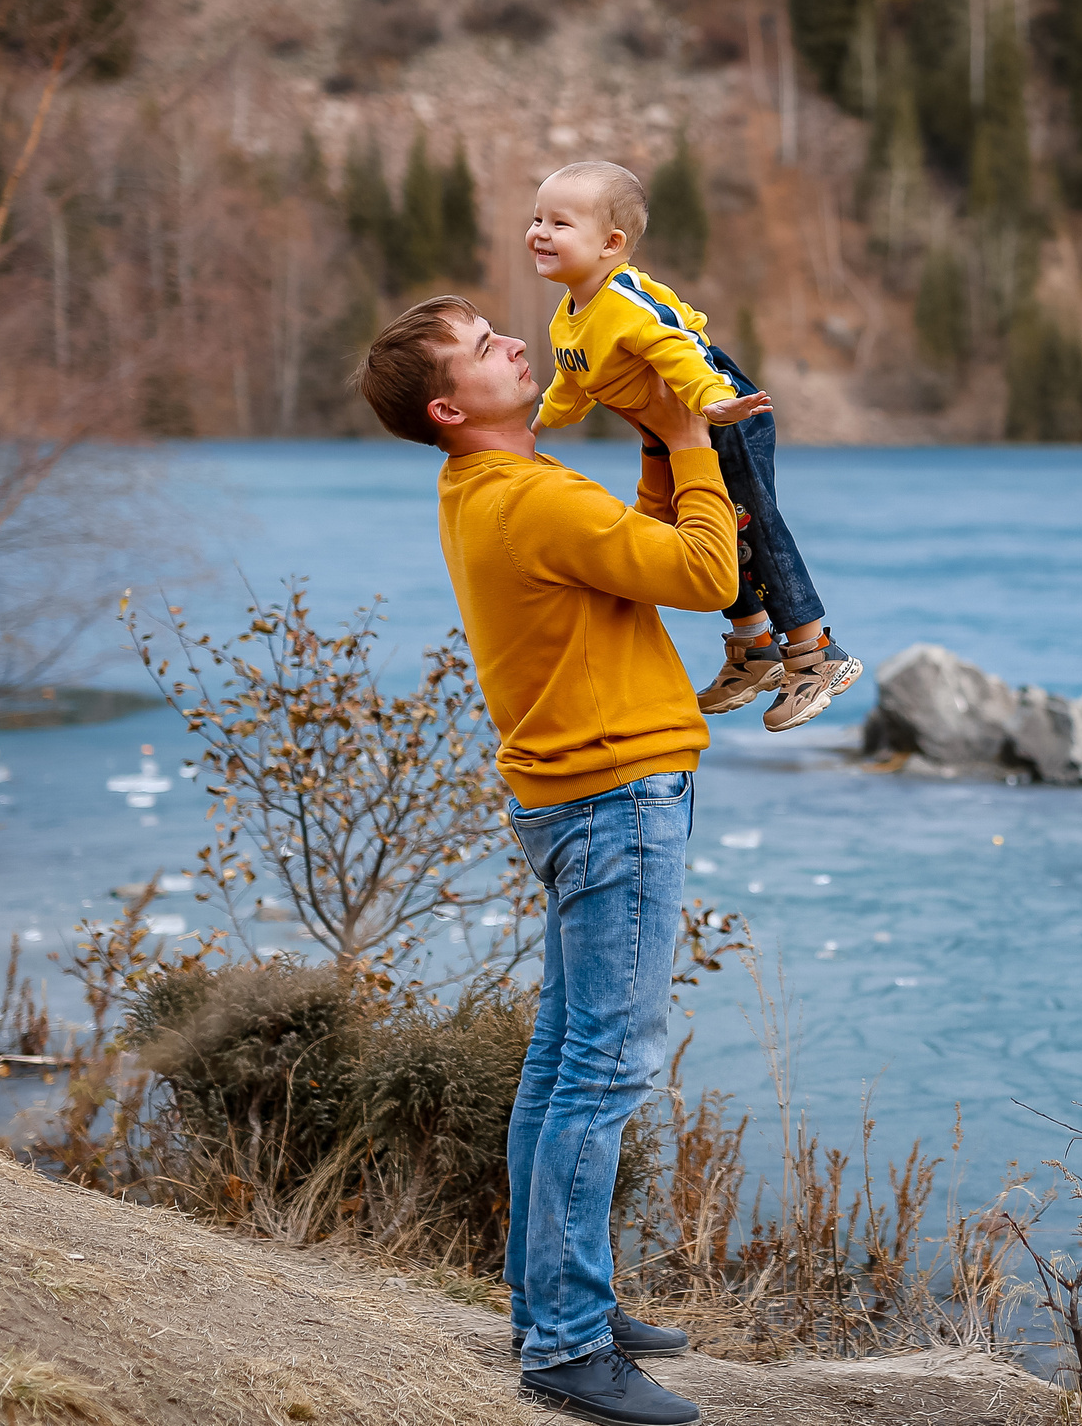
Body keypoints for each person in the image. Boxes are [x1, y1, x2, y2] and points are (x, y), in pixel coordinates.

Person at [353, 295, 723, 1426]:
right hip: (616, 796)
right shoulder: (531, 495)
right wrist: (692, 436)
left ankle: (550, 1300)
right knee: (604, 1070)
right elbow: (705, 574)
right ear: (449, 407)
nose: (515, 342)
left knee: (564, 1060)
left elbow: (630, 557)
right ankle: (565, 1345)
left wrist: (656, 448)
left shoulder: (487, 489)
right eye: (482, 348)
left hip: (570, 796)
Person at [528, 159, 862, 733]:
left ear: (611, 244)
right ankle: (755, 648)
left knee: (753, 526)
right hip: (676, 430)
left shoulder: (625, 300)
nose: (540, 232)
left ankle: (815, 654)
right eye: (537, 219)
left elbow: (681, 347)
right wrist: (534, 427)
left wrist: (713, 403)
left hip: (722, 414)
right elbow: (573, 380)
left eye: (560, 223)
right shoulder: (570, 315)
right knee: (709, 532)